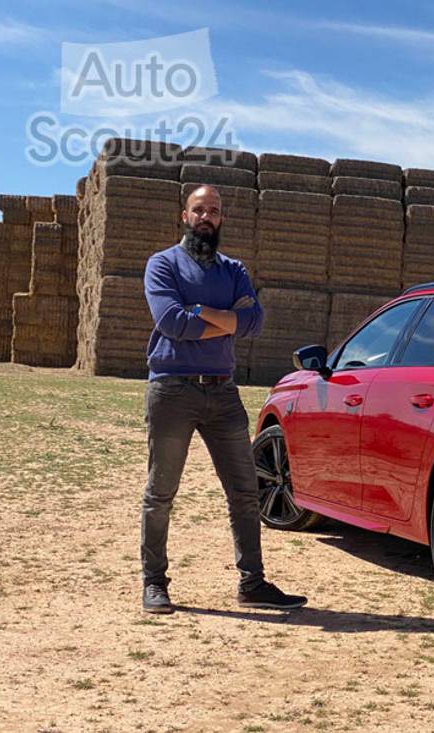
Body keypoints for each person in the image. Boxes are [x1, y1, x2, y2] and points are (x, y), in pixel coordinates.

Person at [139, 184, 306, 614]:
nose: (206, 217)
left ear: (221, 218)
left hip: (222, 389)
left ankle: (252, 583)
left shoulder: (234, 270)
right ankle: (154, 583)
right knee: (161, 492)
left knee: (246, 491)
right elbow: (173, 323)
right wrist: (227, 321)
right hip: (173, 388)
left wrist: (205, 315)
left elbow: (255, 321)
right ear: (185, 216)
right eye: (199, 210)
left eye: (214, 210)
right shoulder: (163, 264)